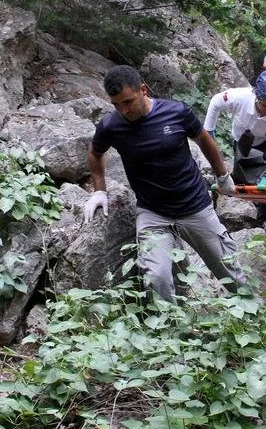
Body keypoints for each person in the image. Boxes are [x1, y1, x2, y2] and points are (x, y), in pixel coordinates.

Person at [83, 65, 246, 303]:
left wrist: (223, 176)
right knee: (157, 278)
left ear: (143, 90)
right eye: (116, 104)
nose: (124, 110)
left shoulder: (176, 112)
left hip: (194, 206)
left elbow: (204, 140)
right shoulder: (111, 126)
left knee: (231, 271)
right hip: (153, 213)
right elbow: (95, 152)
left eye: (128, 102)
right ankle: (171, 332)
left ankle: (254, 321)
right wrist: (100, 190)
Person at [203, 70, 266, 234]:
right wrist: (209, 130)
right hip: (243, 140)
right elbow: (216, 102)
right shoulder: (240, 97)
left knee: (262, 177)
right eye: (264, 105)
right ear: (256, 96)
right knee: (245, 175)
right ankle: (238, 179)